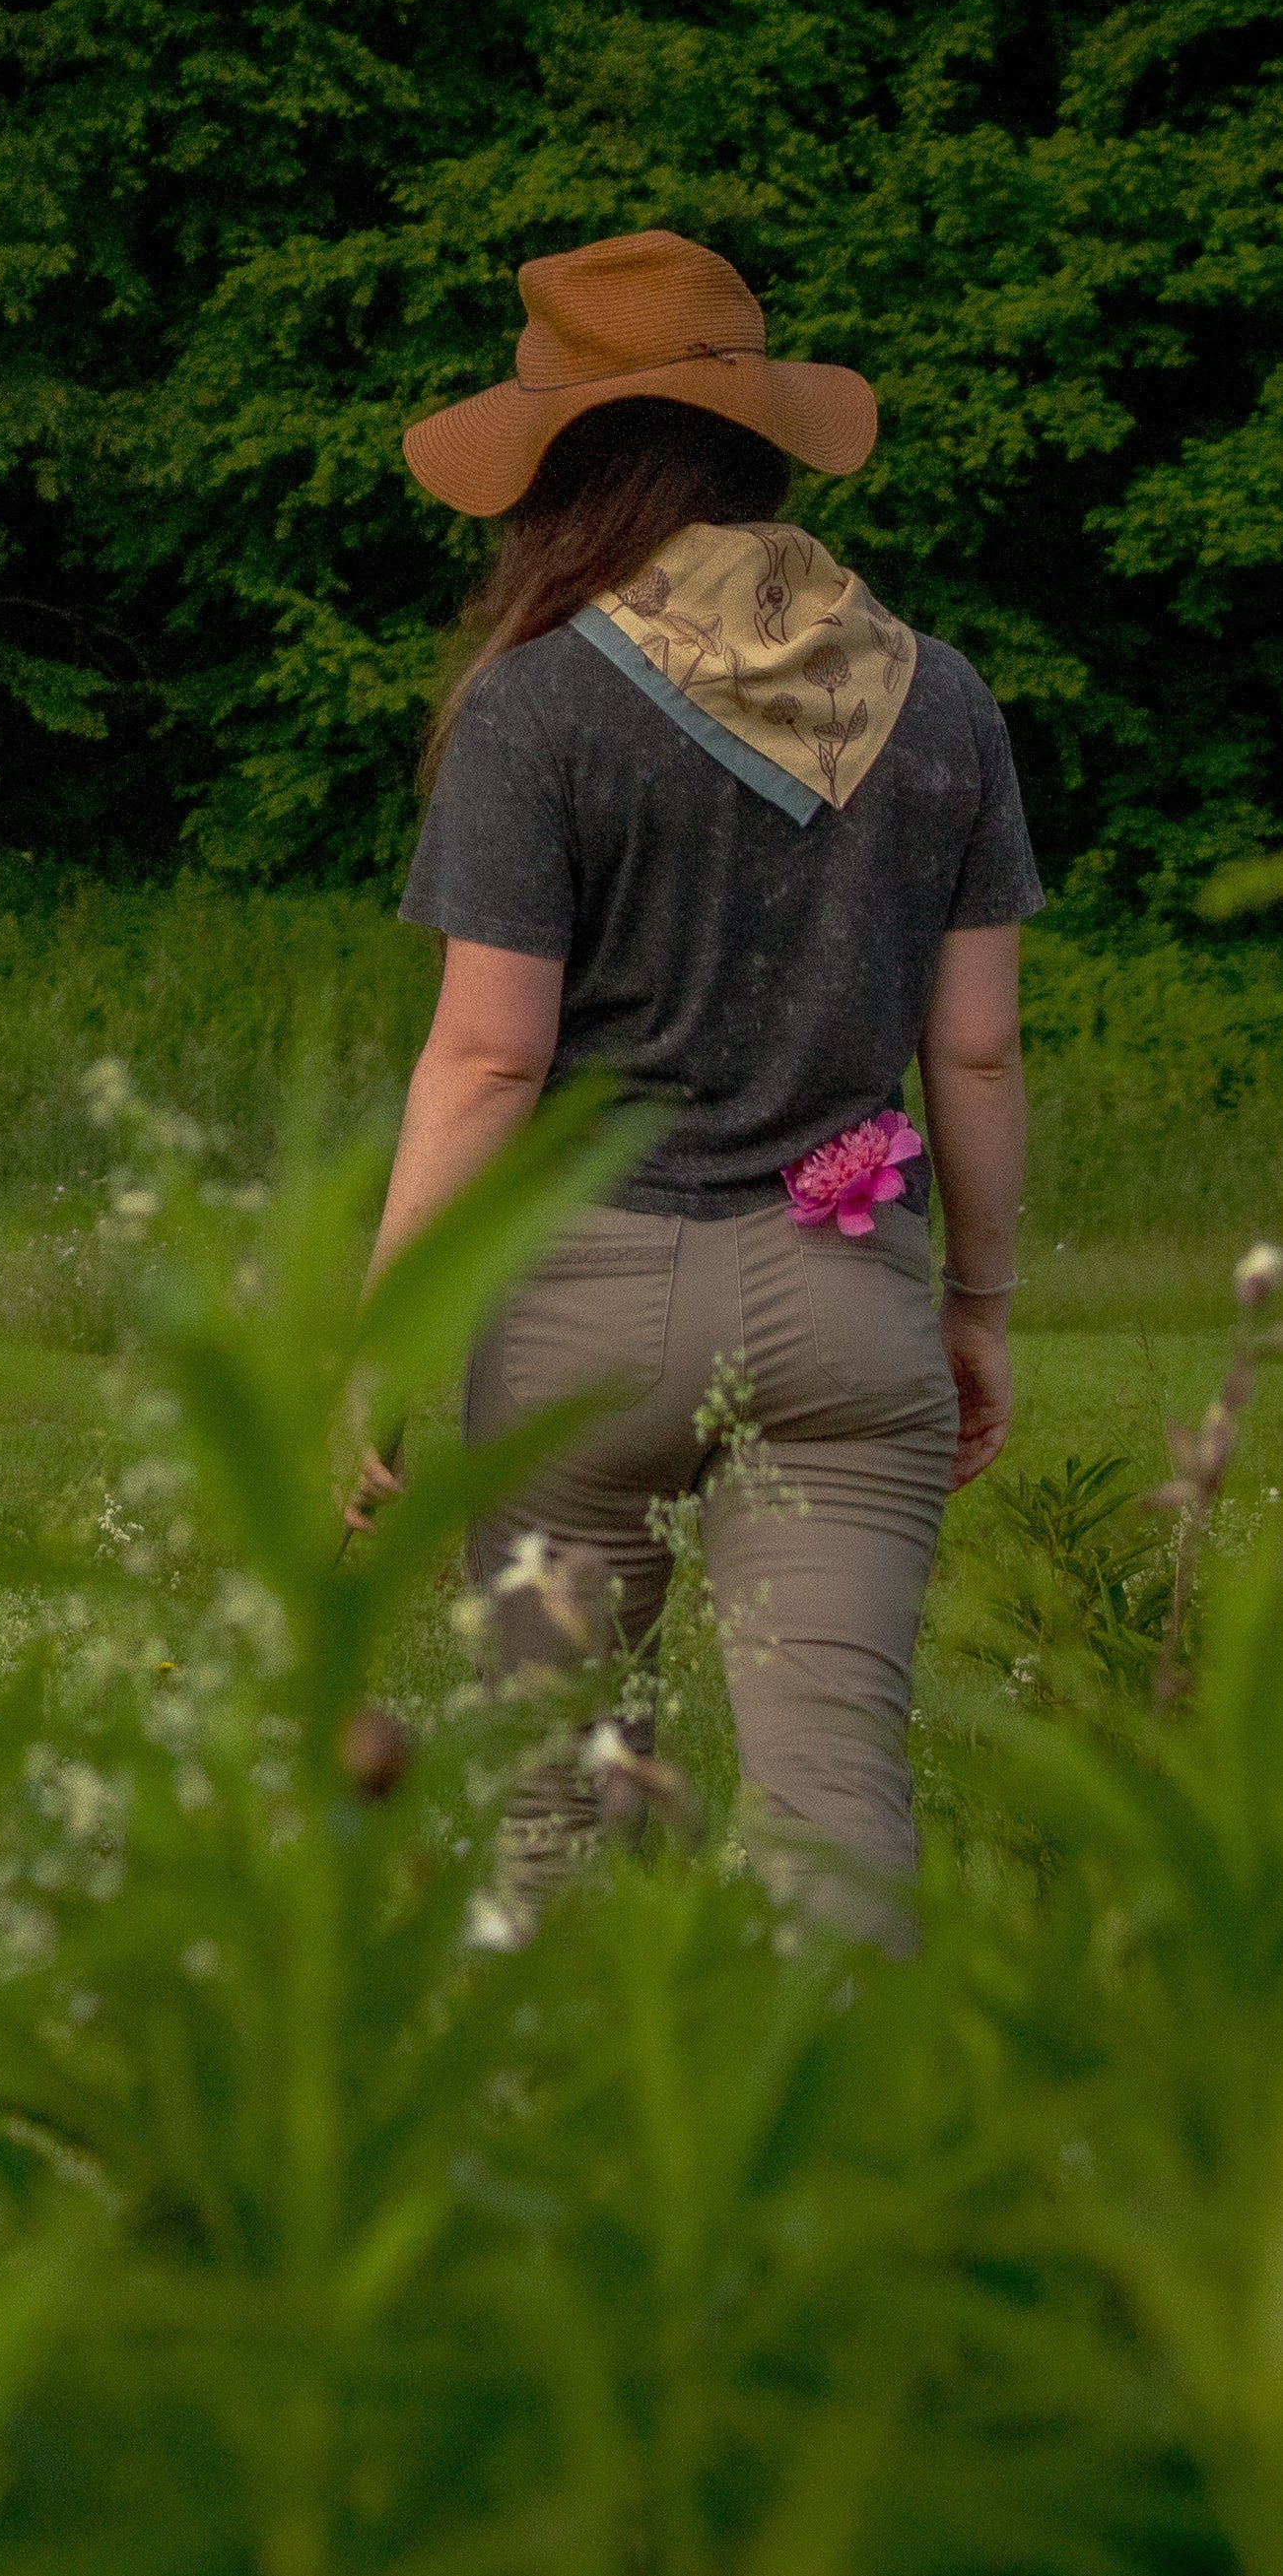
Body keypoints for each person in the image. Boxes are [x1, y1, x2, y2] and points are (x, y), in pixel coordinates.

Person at [359, 229, 1041, 1946]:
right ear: (752, 439)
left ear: (556, 470)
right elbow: (972, 1045)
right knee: (834, 1821)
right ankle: (859, 2186)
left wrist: (375, 1343)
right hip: (844, 1298)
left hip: (576, 1323)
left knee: (554, 1806)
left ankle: (563, 2183)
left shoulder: (535, 710)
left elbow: (492, 1053)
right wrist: (975, 1301)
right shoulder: (938, 697)